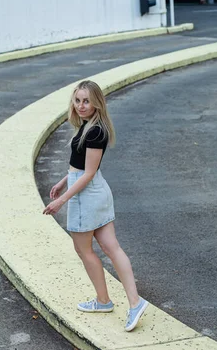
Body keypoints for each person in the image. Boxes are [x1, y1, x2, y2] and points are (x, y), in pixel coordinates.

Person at [43, 80, 148, 332]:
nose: (81, 105)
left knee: (84, 250)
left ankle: (105, 301)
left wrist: (61, 199)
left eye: (86, 101)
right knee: (111, 248)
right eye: (77, 100)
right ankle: (133, 302)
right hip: (95, 191)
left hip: (87, 195)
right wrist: (62, 182)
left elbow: (87, 173)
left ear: (97, 102)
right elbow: (79, 167)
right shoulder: (90, 126)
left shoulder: (95, 132)